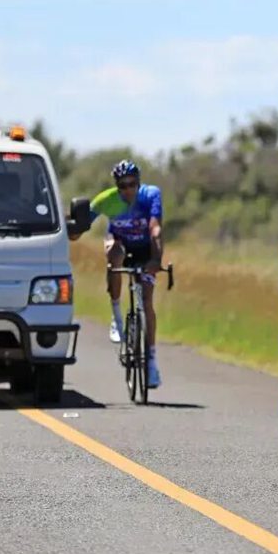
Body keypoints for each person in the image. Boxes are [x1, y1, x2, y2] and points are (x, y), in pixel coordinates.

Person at [89, 160, 165, 388]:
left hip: (144, 250)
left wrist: (156, 261)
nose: (128, 190)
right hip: (121, 244)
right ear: (117, 186)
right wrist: (71, 228)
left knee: (148, 301)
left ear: (138, 183)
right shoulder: (107, 199)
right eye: (122, 185)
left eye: (132, 184)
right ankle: (116, 315)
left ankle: (151, 361)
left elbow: (155, 228)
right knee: (113, 253)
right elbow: (82, 222)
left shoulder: (150, 195)